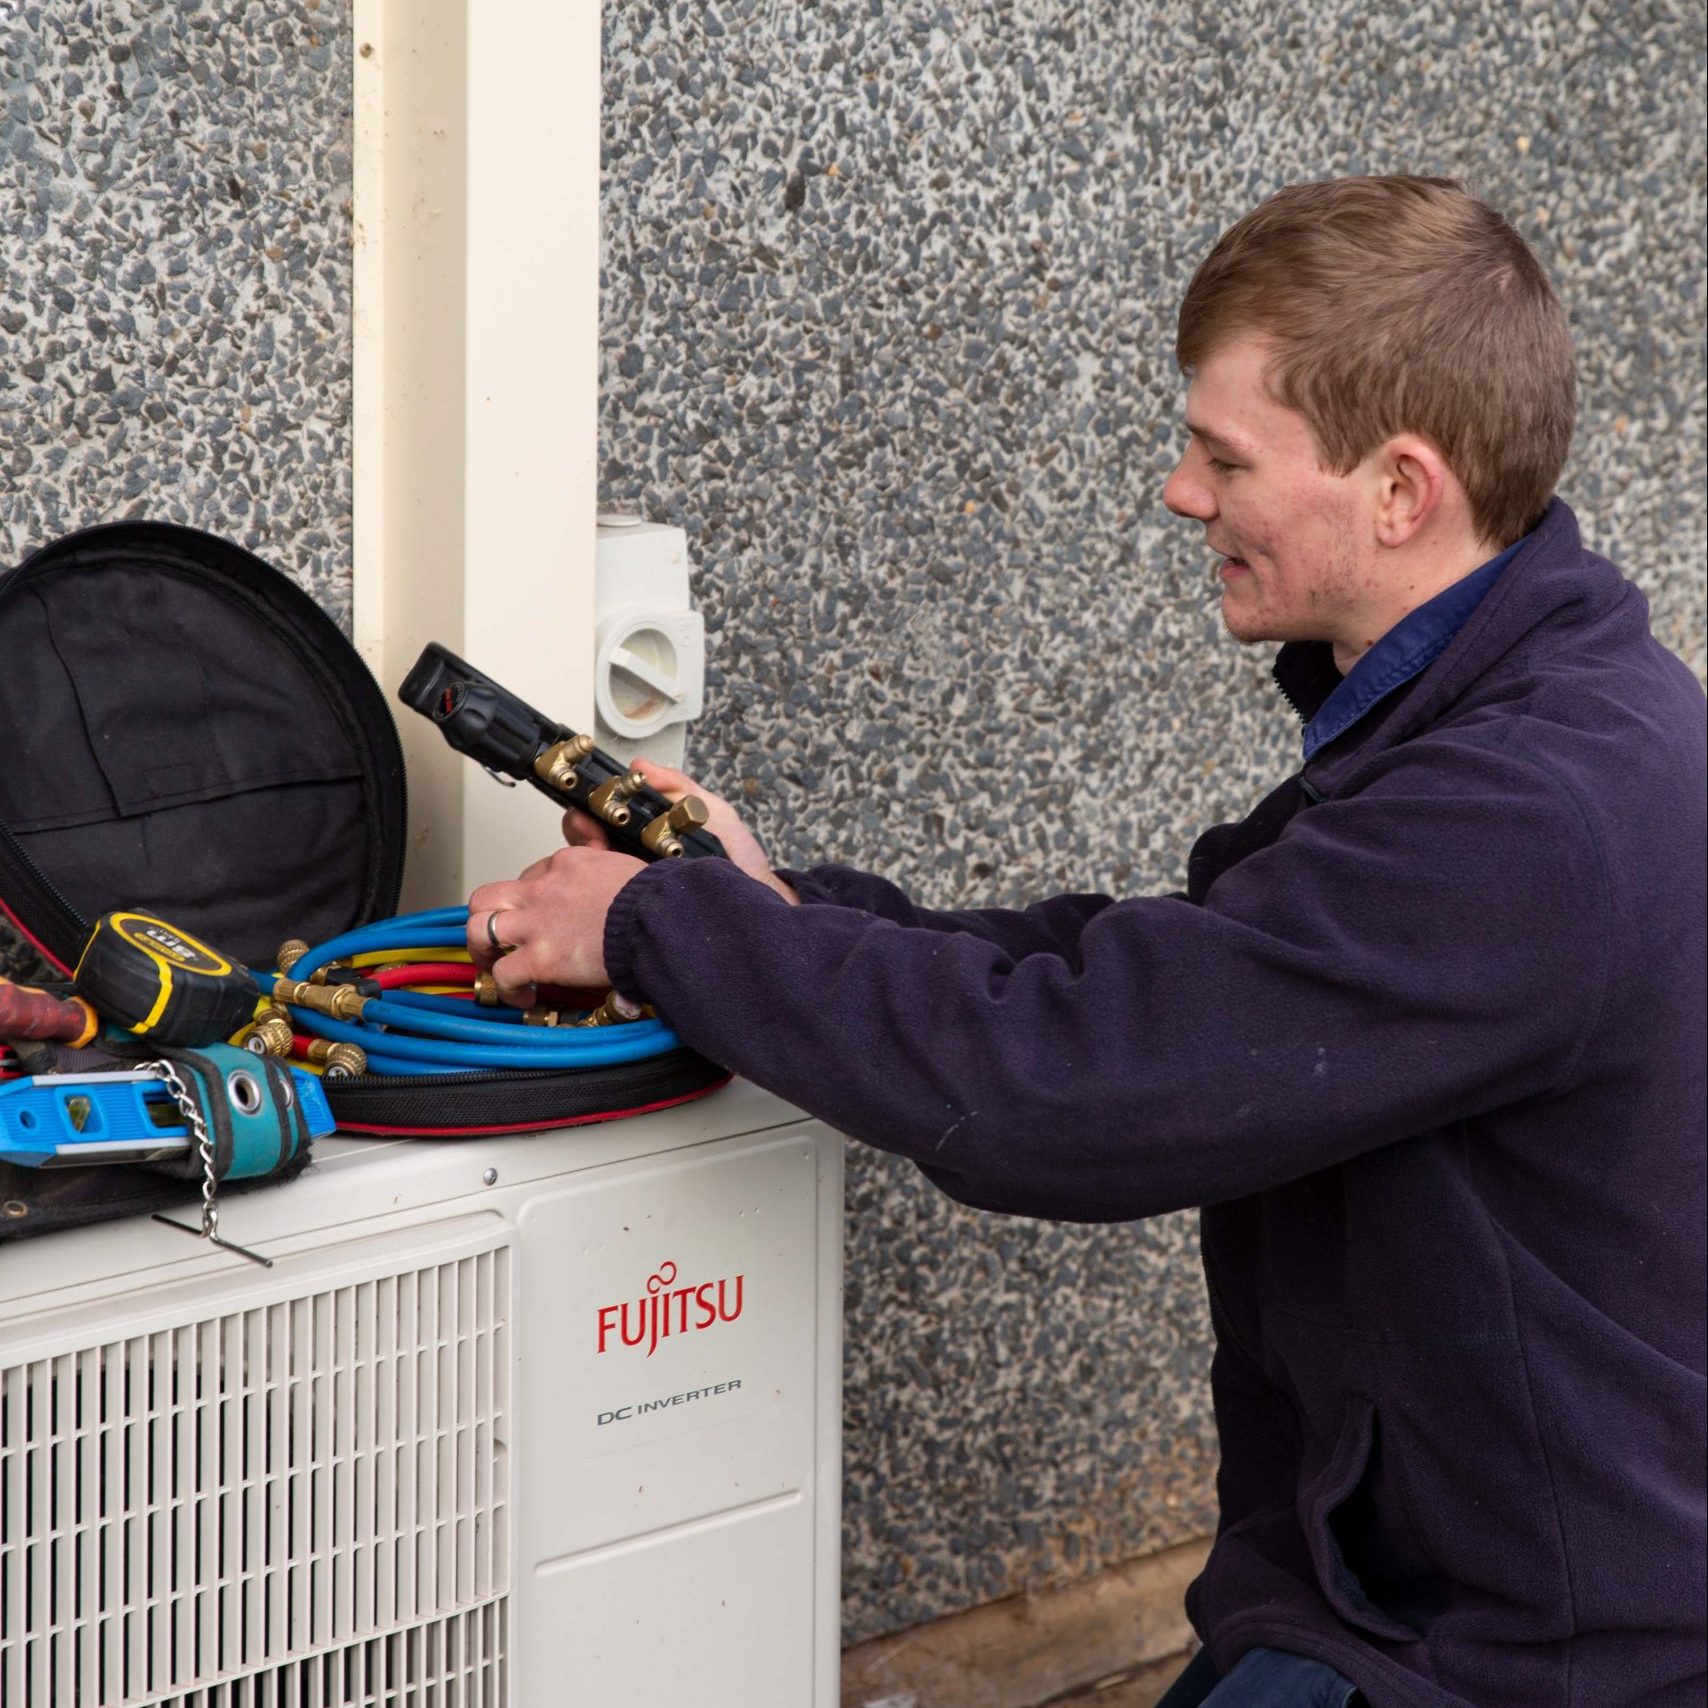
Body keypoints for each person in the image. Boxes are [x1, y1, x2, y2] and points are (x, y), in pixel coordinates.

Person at [466, 177, 1707, 1707]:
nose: (1183, 493)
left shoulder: (1521, 814)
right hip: (1444, 1598)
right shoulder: (1536, 716)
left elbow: (1074, 1085)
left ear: (1400, 489)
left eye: (1224, 454)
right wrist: (777, 909)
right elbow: (1173, 974)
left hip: (1505, 1660)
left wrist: (662, 928)